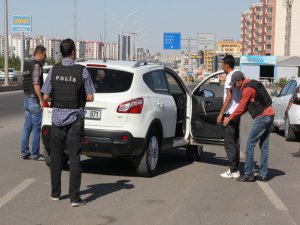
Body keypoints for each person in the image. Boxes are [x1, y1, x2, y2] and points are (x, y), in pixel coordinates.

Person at [41, 38, 95, 207]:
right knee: (75, 158)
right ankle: (75, 198)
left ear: (61, 53)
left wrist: (55, 97)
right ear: (73, 52)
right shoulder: (82, 71)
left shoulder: (54, 70)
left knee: (56, 157)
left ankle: (55, 193)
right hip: (75, 121)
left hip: (57, 120)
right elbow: (91, 96)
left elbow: (45, 96)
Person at [223, 71, 275, 182]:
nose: (234, 86)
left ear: (240, 81)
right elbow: (248, 106)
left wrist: (229, 118)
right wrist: (235, 116)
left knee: (249, 144)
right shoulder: (254, 83)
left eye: (235, 84)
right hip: (270, 115)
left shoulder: (247, 89)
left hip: (262, 117)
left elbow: (241, 107)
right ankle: (263, 175)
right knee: (264, 146)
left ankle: (249, 173)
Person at [217, 55, 242, 179]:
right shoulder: (238, 74)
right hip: (237, 112)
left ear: (227, 65)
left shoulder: (229, 77)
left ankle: (233, 170)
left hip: (229, 113)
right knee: (235, 141)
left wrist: (221, 113)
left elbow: (228, 97)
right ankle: (236, 168)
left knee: (229, 142)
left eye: (222, 64)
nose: (222, 66)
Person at [21, 45, 47, 161]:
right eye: (45, 55)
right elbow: (36, 84)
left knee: (27, 128)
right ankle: (35, 154)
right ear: (40, 53)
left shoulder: (27, 63)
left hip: (27, 98)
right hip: (34, 100)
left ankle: (24, 153)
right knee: (36, 128)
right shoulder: (36, 65)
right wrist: (41, 100)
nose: (45, 57)